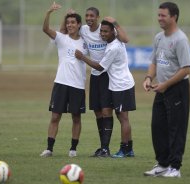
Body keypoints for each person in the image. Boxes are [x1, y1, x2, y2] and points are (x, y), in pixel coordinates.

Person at [62, 7, 131, 157]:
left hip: (107, 74)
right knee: (98, 113)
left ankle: (106, 148)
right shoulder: (84, 30)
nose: (89, 18)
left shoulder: (106, 29)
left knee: (107, 111)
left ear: (98, 17)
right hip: (95, 76)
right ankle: (103, 148)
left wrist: (116, 23)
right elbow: (66, 32)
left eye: (92, 15)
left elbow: (125, 40)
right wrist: (69, 16)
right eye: (87, 15)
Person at [142, 2, 190, 178]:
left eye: (163, 15)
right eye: (158, 15)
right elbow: (154, 61)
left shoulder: (180, 39)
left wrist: (166, 84)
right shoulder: (159, 37)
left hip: (177, 89)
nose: (159, 18)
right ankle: (162, 164)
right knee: (158, 127)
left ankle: (175, 168)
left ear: (174, 17)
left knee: (176, 129)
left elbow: (186, 69)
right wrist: (149, 78)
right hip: (161, 89)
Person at [75, 19, 136, 159]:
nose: (102, 34)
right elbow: (124, 38)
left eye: (106, 31)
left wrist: (82, 57)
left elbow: (100, 67)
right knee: (122, 117)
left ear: (113, 32)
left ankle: (125, 149)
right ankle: (129, 149)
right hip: (117, 84)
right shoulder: (113, 43)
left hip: (122, 84)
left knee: (123, 117)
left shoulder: (114, 47)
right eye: (101, 31)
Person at [40, 2, 88, 158]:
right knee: (55, 116)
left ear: (79, 24)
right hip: (61, 83)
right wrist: (49, 12)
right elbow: (45, 29)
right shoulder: (61, 38)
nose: (70, 25)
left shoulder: (85, 42)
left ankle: (73, 149)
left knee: (76, 117)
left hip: (78, 85)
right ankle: (49, 149)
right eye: (68, 23)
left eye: (73, 22)